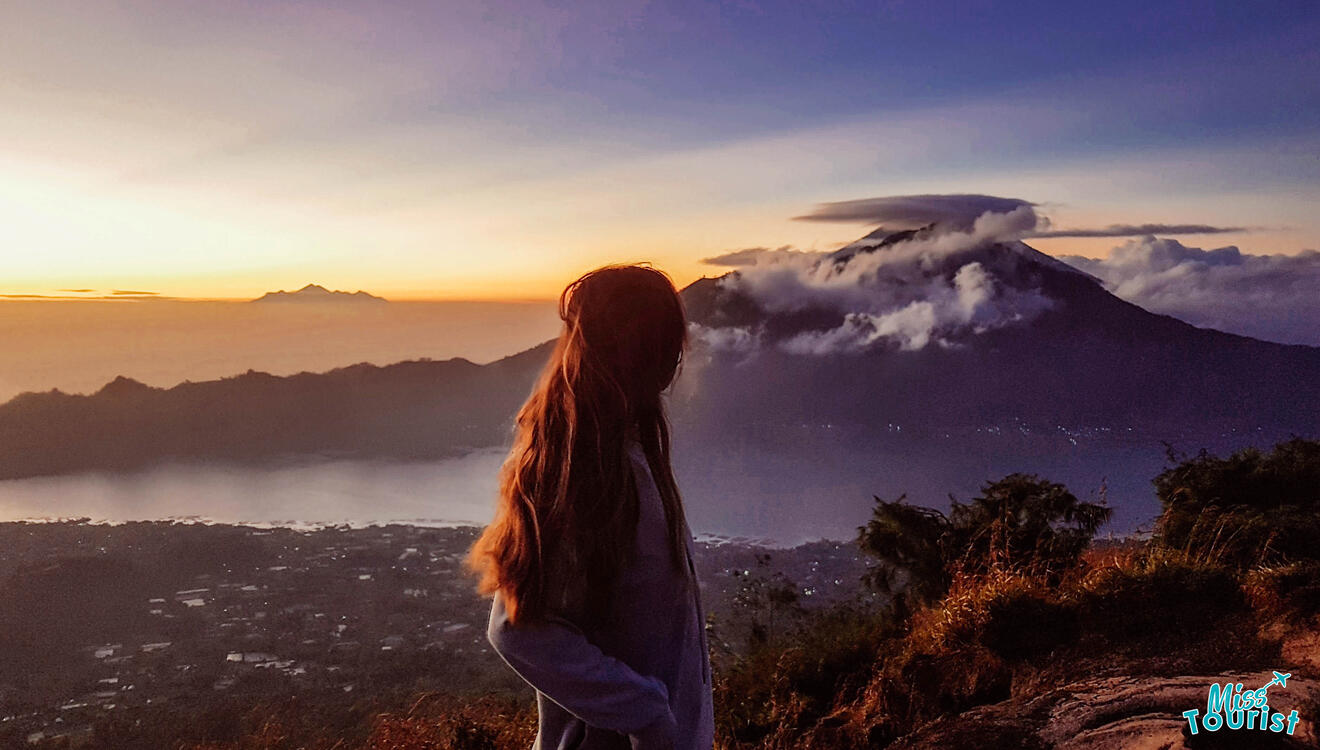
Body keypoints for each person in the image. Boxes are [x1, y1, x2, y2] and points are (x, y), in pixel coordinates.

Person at [466, 264, 714, 750]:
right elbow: (517, 627)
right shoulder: (584, 472)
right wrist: (645, 713)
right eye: (663, 338)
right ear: (633, 348)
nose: (675, 354)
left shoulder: (633, 452)